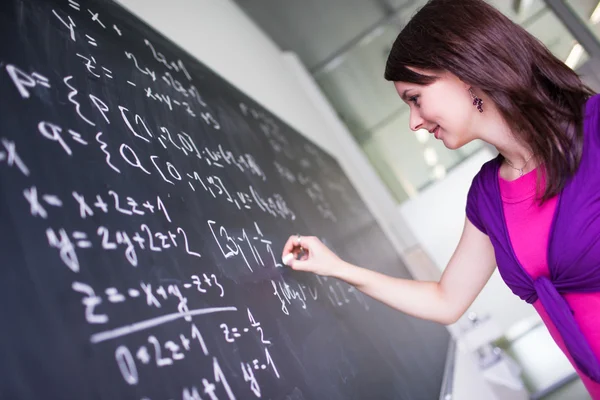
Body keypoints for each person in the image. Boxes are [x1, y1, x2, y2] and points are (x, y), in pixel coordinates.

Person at [281, 0, 600, 397]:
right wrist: (338, 268)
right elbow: (446, 300)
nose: (414, 121)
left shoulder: (596, 128)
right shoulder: (488, 197)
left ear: (464, 70)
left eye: (415, 98)